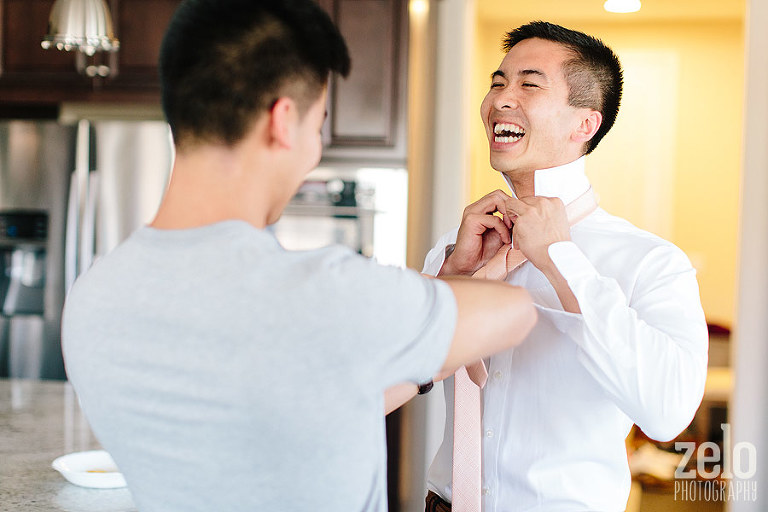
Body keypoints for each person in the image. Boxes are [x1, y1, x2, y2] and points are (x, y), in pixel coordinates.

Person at [60, 1, 537, 511]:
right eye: (318, 126)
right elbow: (515, 312)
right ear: (283, 121)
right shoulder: (324, 293)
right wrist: (455, 280)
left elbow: (311, 399)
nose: (315, 151)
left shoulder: (91, 297)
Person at [422, 21, 709, 511]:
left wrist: (561, 261)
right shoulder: (458, 248)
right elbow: (402, 371)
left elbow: (667, 413)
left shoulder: (651, 262)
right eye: (497, 82)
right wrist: (448, 285)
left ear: (585, 125)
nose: (500, 100)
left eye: (528, 84)